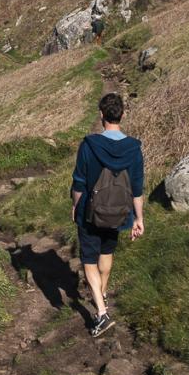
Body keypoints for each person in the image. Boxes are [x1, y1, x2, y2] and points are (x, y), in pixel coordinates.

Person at [71, 92, 144, 337]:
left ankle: (101, 314)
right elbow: (136, 187)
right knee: (107, 252)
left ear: (101, 115)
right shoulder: (133, 148)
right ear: (122, 115)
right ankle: (102, 293)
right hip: (120, 212)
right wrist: (138, 219)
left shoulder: (89, 145)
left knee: (89, 260)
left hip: (91, 212)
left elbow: (79, 182)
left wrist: (76, 207)